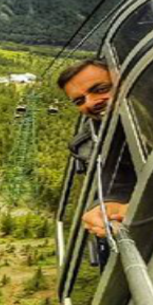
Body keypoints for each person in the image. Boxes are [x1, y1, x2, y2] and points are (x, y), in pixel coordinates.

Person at [56, 59, 132, 238]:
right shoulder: (94, 142)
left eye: (100, 89)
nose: (90, 103)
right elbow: (113, 178)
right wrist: (107, 205)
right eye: (79, 101)